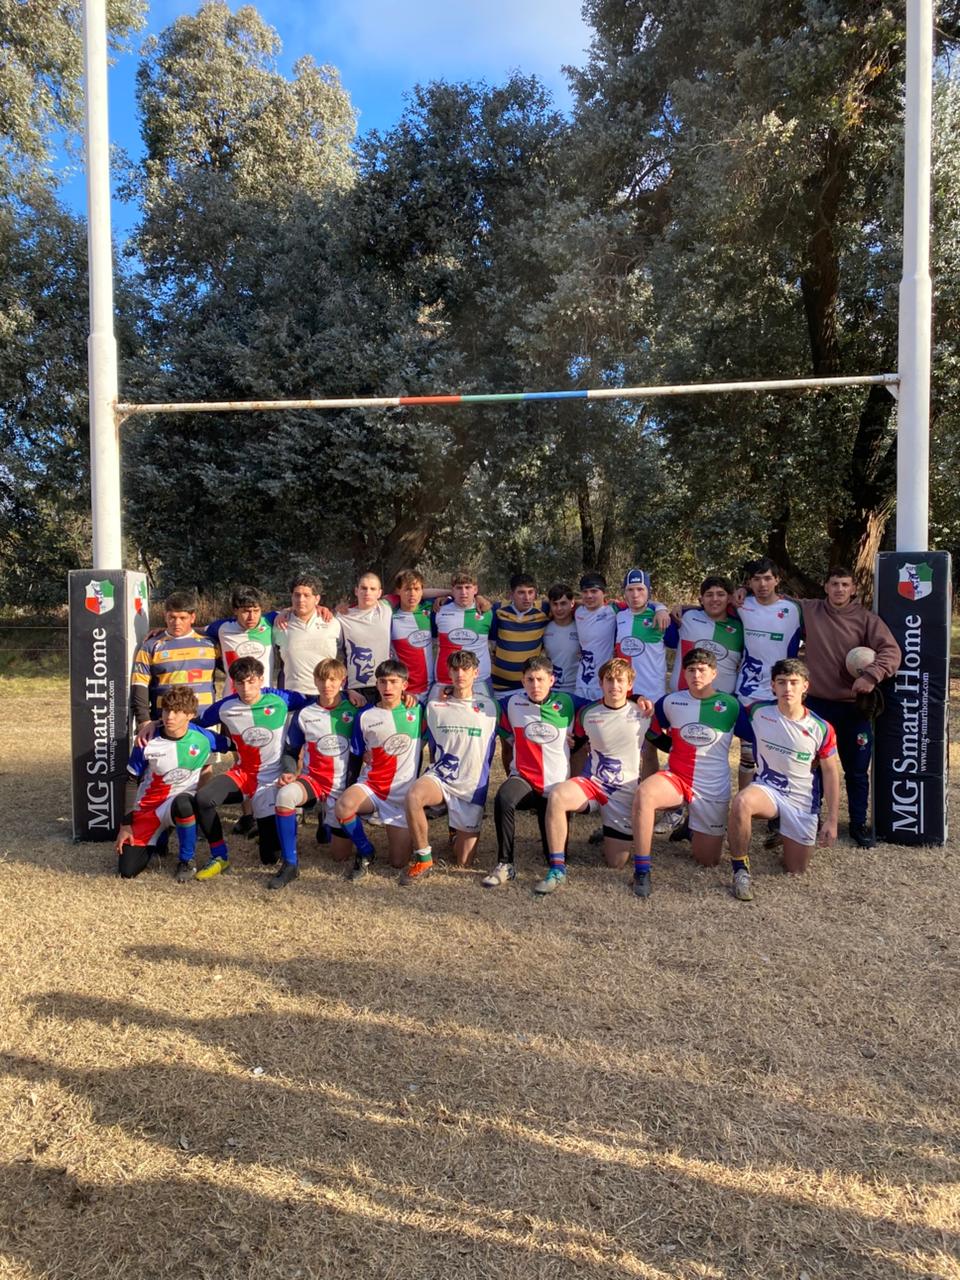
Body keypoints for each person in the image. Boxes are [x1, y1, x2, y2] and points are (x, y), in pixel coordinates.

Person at [795, 566, 901, 848]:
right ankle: (812, 819)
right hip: (817, 706)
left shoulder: (867, 620)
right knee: (812, 766)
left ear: (853, 589)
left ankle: (857, 824)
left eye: (845, 584)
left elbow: (892, 652)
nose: (839, 589)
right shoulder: (809, 610)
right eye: (834, 584)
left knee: (856, 770)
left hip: (853, 708)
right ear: (826, 587)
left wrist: (870, 676)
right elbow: (770, 600)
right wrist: (739, 594)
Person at [630, 648, 747, 899]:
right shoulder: (671, 701)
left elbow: (755, 738)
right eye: (691, 670)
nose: (696, 675)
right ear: (683, 673)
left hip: (712, 787)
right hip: (677, 778)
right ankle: (642, 870)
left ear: (714, 673)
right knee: (645, 794)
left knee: (708, 861)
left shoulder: (730, 705)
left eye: (702, 670)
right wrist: (671, 746)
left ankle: (691, 826)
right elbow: (651, 730)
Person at [182, 657, 308, 880]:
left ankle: (272, 828)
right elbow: (192, 724)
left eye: (251, 681)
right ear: (233, 683)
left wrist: (351, 697)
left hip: (272, 779)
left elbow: (317, 701)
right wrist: (155, 724)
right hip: (243, 774)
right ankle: (220, 856)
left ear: (260, 680)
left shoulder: (280, 699)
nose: (246, 688)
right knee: (203, 799)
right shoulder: (226, 707)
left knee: (270, 858)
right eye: (240, 683)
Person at [727, 657, 841, 900]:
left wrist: (832, 820)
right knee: (742, 802)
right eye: (781, 682)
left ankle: (786, 833)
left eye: (793, 682)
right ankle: (740, 871)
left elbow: (831, 772)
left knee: (796, 870)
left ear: (805, 686)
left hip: (801, 800)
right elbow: (723, 712)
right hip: (767, 789)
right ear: (772, 686)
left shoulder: (821, 727)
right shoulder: (757, 712)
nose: (787, 688)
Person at [538, 657, 654, 895]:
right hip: (594, 784)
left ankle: (609, 831)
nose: (615, 686)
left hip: (624, 791)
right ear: (601, 683)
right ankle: (557, 869)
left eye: (620, 681)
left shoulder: (644, 712)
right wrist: (568, 741)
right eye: (609, 680)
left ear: (630, 684)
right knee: (558, 796)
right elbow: (578, 741)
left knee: (616, 863)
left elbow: (665, 743)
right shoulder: (588, 713)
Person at [482, 655, 581, 889]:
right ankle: (505, 864)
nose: (535, 685)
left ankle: (555, 856)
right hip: (524, 778)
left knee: (553, 855)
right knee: (504, 798)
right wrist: (448, 692)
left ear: (551, 680)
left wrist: (580, 738)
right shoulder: (511, 703)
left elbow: (603, 705)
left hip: (555, 787)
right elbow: (481, 706)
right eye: (530, 680)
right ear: (522, 681)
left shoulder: (568, 702)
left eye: (540, 679)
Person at [401, 650, 499, 883]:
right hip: (441, 777)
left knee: (463, 862)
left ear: (476, 673)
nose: (460, 674)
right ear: (449, 673)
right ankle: (423, 858)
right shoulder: (434, 705)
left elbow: (524, 722)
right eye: (455, 669)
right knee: (414, 796)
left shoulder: (492, 707)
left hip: (471, 787)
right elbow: (407, 723)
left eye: (466, 669)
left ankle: (455, 830)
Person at [115, 687, 228, 881]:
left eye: (177, 712)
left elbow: (235, 743)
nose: (170, 717)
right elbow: (131, 780)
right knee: (127, 870)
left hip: (180, 804)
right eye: (166, 710)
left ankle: (186, 860)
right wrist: (126, 825)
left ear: (190, 715)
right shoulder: (146, 740)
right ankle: (160, 836)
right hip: (149, 808)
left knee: (184, 803)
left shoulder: (204, 737)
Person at [270, 658, 360, 889]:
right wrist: (289, 772)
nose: (326, 685)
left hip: (344, 787)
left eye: (332, 679)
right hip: (314, 780)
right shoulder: (305, 713)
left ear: (342, 681)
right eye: (321, 679)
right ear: (315, 681)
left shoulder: (356, 709)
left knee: (340, 856)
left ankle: (327, 821)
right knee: (284, 796)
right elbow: (290, 751)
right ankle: (290, 864)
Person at [334, 659, 425, 879]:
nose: (388, 687)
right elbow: (357, 755)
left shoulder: (418, 710)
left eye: (394, 682)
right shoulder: (365, 716)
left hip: (402, 794)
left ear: (404, 685)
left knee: (398, 862)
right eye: (382, 682)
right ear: (376, 684)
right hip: (373, 786)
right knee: (344, 806)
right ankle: (366, 851)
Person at [733, 558, 802, 789]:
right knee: (747, 755)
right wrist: (676, 609)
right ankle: (743, 806)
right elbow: (711, 605)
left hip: (781, 692)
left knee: (778, 754)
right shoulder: (742, 605)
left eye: (767, 578)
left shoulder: (793, 609)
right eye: (756, 579)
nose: (762, 584)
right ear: (749, 582)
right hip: (747, 692)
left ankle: (777, 807)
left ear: (777, 580)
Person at [613, 568, 670, 781]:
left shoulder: (660, 617)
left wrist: (661, 607)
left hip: (651, 693)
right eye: (630, 590)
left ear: (649, 591)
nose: (635, 594)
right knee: (622, 747)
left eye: (640, 589)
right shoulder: (618, 616)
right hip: (623, 692)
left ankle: (647, 791)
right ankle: (623, 791)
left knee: (649, 748)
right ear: (624, 592)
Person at [130, 590, 218, 727]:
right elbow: (139, 685)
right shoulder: (150, 646)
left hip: (205, 721)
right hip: (166, 723)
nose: (177, 623)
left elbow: (233, 674)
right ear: (165, 616)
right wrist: (144, 720)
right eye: (172, 617)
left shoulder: (211, 644)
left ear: (192, 617)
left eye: (183, 618)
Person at [665, 575, 744, 694]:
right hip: (682, 697)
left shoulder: (741, 626)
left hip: (723, 700)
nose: (714, 599)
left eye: (720, 594)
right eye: (709, 595)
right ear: (701, 599)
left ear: (729, 599)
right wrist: (660, 609)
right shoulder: (685, 616)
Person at [273, 573, 342, 696]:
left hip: (327, 694)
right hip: (294, 695)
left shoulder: (332, 622)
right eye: (297, 595)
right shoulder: (280, 623)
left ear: (317, 599)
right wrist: (285, 611)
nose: (301, 600)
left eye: (306, 595)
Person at [206, 585, 277, 694]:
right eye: (246, 611)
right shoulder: (221, 628)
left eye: (256, 611)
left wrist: (286, 612)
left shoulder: (270, 621)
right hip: (233, 696)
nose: (252, 617)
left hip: (264, 696)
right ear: (235, 610)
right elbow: (196, 632)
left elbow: (294, 612)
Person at [433, 569, 494, 697]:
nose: (463, 592)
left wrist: (481, 599)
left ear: (475, 589)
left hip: (479, 680)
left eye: (468, 587)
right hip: (445, 680)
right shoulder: (438, 610)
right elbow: (419, 593)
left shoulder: (488, 611)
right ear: (452, 590)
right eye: (459, 588)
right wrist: (446, 594)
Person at [339, 571, 394, 700]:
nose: (367, 592)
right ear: (356, 591)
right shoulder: (342, 616)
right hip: (356, 687)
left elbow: (416, 593)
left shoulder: (386, 607)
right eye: (363, 588)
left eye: (372, 589)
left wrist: (442, 596)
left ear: (379, 593)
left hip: (385, 684)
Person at [387, 569, 436, 702]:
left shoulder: (429, 608)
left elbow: (461, 597)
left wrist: (450, 592)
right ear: (398, 591)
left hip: (431, 688)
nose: (412, 593)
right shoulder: (389, 615)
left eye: (416, 589)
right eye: (407, 589)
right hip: (404, 691)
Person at [542, 583, 580, 695]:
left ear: (572, 603)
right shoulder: (544, 627)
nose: (559, 608)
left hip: (577, 689)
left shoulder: (581, 627)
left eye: (563, 603)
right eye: (555, 604)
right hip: (551, 689)